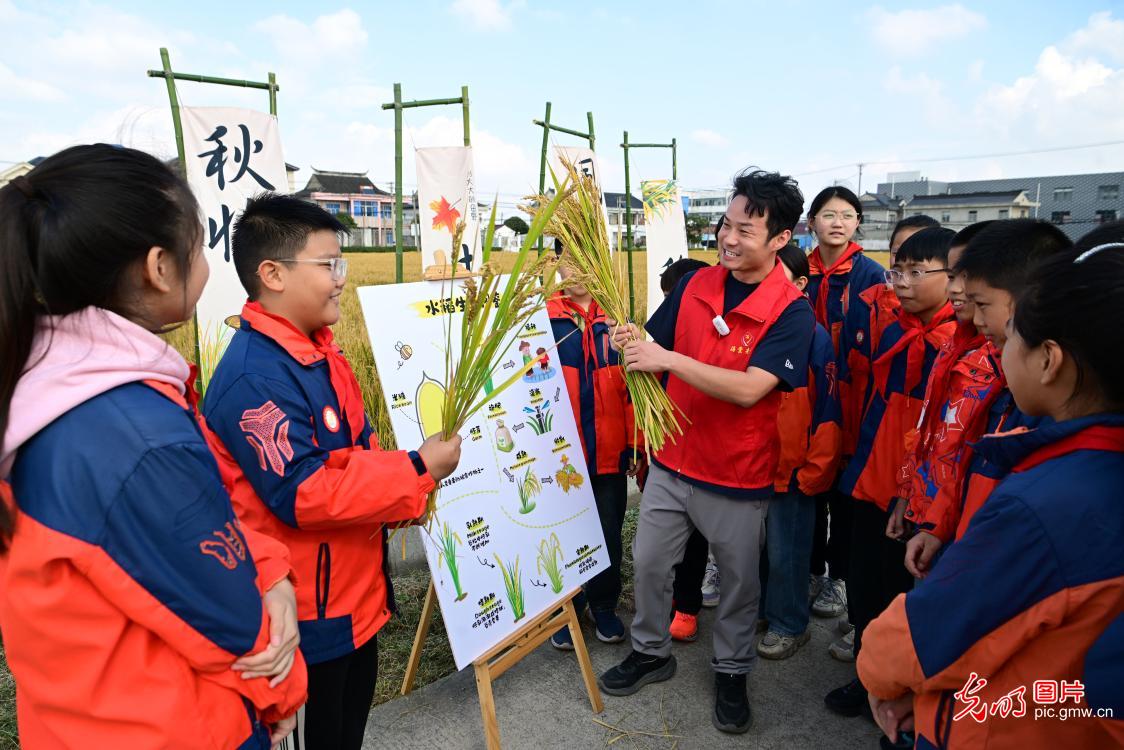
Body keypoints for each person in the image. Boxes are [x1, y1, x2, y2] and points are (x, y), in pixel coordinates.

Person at [0, 145, 305, 749]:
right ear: (159, 268)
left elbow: (181, 533)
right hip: (175, 727)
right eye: (200, 248)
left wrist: (270, 572)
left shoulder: (45, 382)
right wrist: (283, 694)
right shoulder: (132, 433)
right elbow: (230, 622)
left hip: (83, 717)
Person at [200, 194, 463, 750]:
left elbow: (359, 451)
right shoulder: (254, 378)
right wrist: (416, 470)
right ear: (271, 274)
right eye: (329, 265)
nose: (341, 278)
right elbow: (305, 491)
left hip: (354, 600)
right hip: (306, 618)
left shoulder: (323, 354)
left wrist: (402, 499)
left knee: (346, 734)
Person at [858, 234, 1124, 749]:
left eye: (1010, 339)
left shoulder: (1044, 505)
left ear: (1049, 360)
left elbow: (922, 637)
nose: (995, 346)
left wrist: (883, 674)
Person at [598, 169, 814, 735]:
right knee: (648, 565)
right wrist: (633, 342)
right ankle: (651, 650)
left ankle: (732, 670)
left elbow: (750, 389)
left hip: (735, 475)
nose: (729, 237)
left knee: (740, 584)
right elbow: (654, 340)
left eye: (746, 228)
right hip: (672, 461)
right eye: (726, 223)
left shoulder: (791, 310)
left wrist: (669, 362)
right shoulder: (697, 285)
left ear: (781, 240)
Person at [826, 227, 958, 718]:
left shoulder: (955, 346)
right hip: (870, 476)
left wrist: (910, 493)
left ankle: (896, 689)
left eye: (917, 272)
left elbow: (937, 435)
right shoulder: (894, 327)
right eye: (897, 270)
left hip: (912, 492)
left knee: (898, 593)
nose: (901, 281)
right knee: (864, 585)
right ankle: (869, 678)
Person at [902, 220, 1072, 579]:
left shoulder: (1045, 399)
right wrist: (937, 525)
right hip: (956, 535)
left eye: (981, 301)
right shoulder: (969, 351)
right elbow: (963, 456)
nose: (961, 299)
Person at [547, 239, 642, 650]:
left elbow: (637, 390)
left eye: (586, 259)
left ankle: (603, 605)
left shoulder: (617, 320)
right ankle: (567, 606)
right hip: (559, 457)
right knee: (563, 531)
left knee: (607, 531)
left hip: (609, 452)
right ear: (557, 265)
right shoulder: (540, 319)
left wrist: (636, 445)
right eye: (569, 262)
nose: (579, 270)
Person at [803, 187, 884, 624]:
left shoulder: (870, 275)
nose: (837, 222)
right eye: (828, 213)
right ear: (811, 221)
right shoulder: (796, 271)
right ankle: (812, 570)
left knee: (846, 495)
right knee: (810, 487)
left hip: (853, 398)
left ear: (857, 224)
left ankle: (839, 577)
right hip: (807, 394)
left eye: (847, 215)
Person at [757, 243, 842, 660]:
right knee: (755, 551)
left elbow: (828, 407)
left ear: (801, 283)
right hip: (751, 464)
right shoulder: (749, 326)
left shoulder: (814, 335)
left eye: (777, 274)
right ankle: (765, 611)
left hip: (793, 467)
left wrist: (817, 466)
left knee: (786, 554)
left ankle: (790, 624)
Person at [891, 222, 997, 547]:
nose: (956, 288)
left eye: (965, 276)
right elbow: (928, 434)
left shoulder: (1000, 359)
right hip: (929, 513)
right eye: (952, 276)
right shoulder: (953, 346)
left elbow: (968, 454)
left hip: (962, 525)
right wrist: (906, 495)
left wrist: (937, 524)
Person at [656, 257, 722, 643]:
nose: (669, 308)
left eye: (674, 299)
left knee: (696, 538)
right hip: (664, 452)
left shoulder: (713, 337)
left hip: (702, 456)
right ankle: (663, 603)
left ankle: (686, 605)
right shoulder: (662, 339)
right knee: (663, 541)